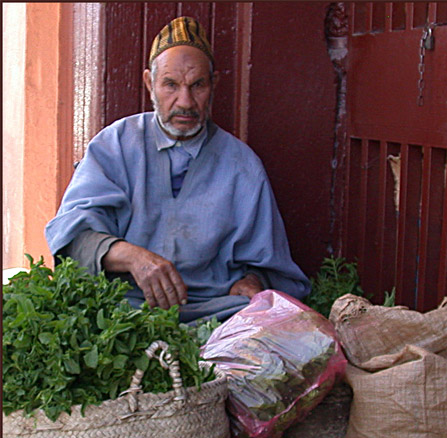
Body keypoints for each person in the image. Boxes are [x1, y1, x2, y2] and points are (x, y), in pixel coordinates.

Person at [45, 16, 310, 323]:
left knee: (283, 327)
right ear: (149, 84)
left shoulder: (242, 165)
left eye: (197, 85)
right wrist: (135, 258)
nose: (185, 101)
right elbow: (73, 237)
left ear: (213, 85)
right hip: (121, 309)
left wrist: (254, 282)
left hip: (215, 311)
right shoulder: (115, 145)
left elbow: (270, 264)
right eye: (170, 85)